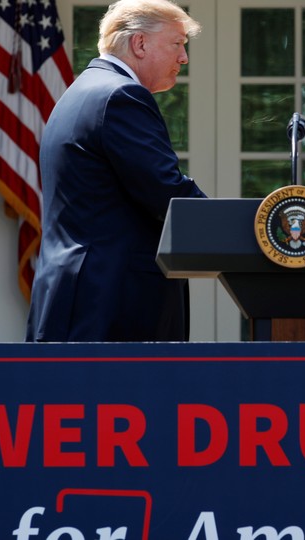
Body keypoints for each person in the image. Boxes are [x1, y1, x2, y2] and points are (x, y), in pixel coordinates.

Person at [26, 0, 207, 342]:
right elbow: (168, 194)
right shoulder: (121, 96)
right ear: (139, 43)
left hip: (81, 299)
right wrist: (247, 230)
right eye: (177, 43)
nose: (183, 57)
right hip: (109, 308)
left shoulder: (81, 92)